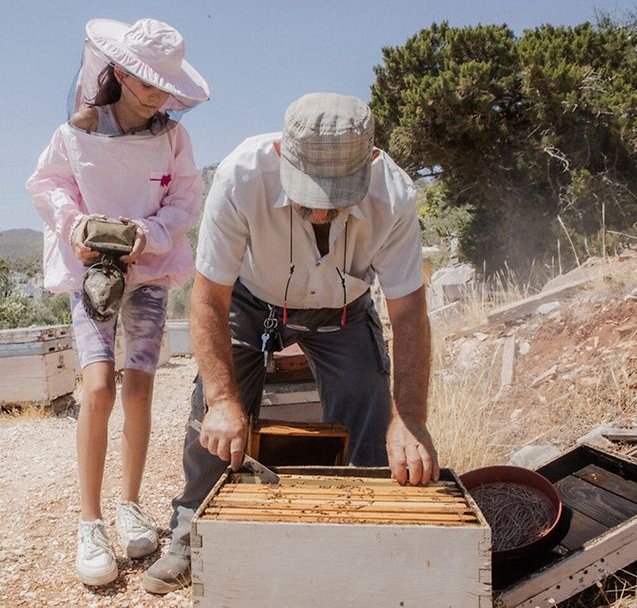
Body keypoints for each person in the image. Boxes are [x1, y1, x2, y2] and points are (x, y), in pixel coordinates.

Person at [143, 92, 439, 594]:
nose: (321, 214)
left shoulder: (395, 195)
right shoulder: (241, 176)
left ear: (370, 162)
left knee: (372, 411)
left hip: (344, 312)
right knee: (212, 419)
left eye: (337, 196)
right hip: (249, 300)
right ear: (282, 154)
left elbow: (409, 313)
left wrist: (410, 419)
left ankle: (370, 543)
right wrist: (221, 400)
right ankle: (191, 533)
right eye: (309, 194)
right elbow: (208, 298)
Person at [25, 17, 209, 587]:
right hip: (93, 274)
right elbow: (47, 185)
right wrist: (79, 225)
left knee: (140, 385)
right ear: (121, 71)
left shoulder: (173, 137)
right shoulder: (74, 131)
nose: (158, 90)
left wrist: (146, 234)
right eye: (148, 77)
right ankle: (90, 520)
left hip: (149, 272)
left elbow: (186, 199)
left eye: (164, 80)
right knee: (99, 386)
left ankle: (130, 504)